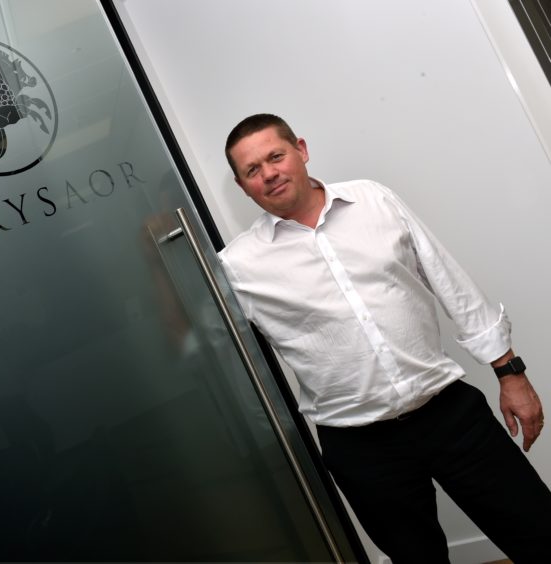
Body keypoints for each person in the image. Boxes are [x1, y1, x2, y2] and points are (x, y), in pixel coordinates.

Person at [218, 113, 551, 563]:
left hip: (449, 413)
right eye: (252, 170)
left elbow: (451, 284)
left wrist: (510, 373)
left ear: (301, 149)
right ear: (242, 187)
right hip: (361, 449)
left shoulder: (373, 200)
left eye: (275, 156)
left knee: (539, 531)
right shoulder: (238, 267)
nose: (269, 173)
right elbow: (206, 348)